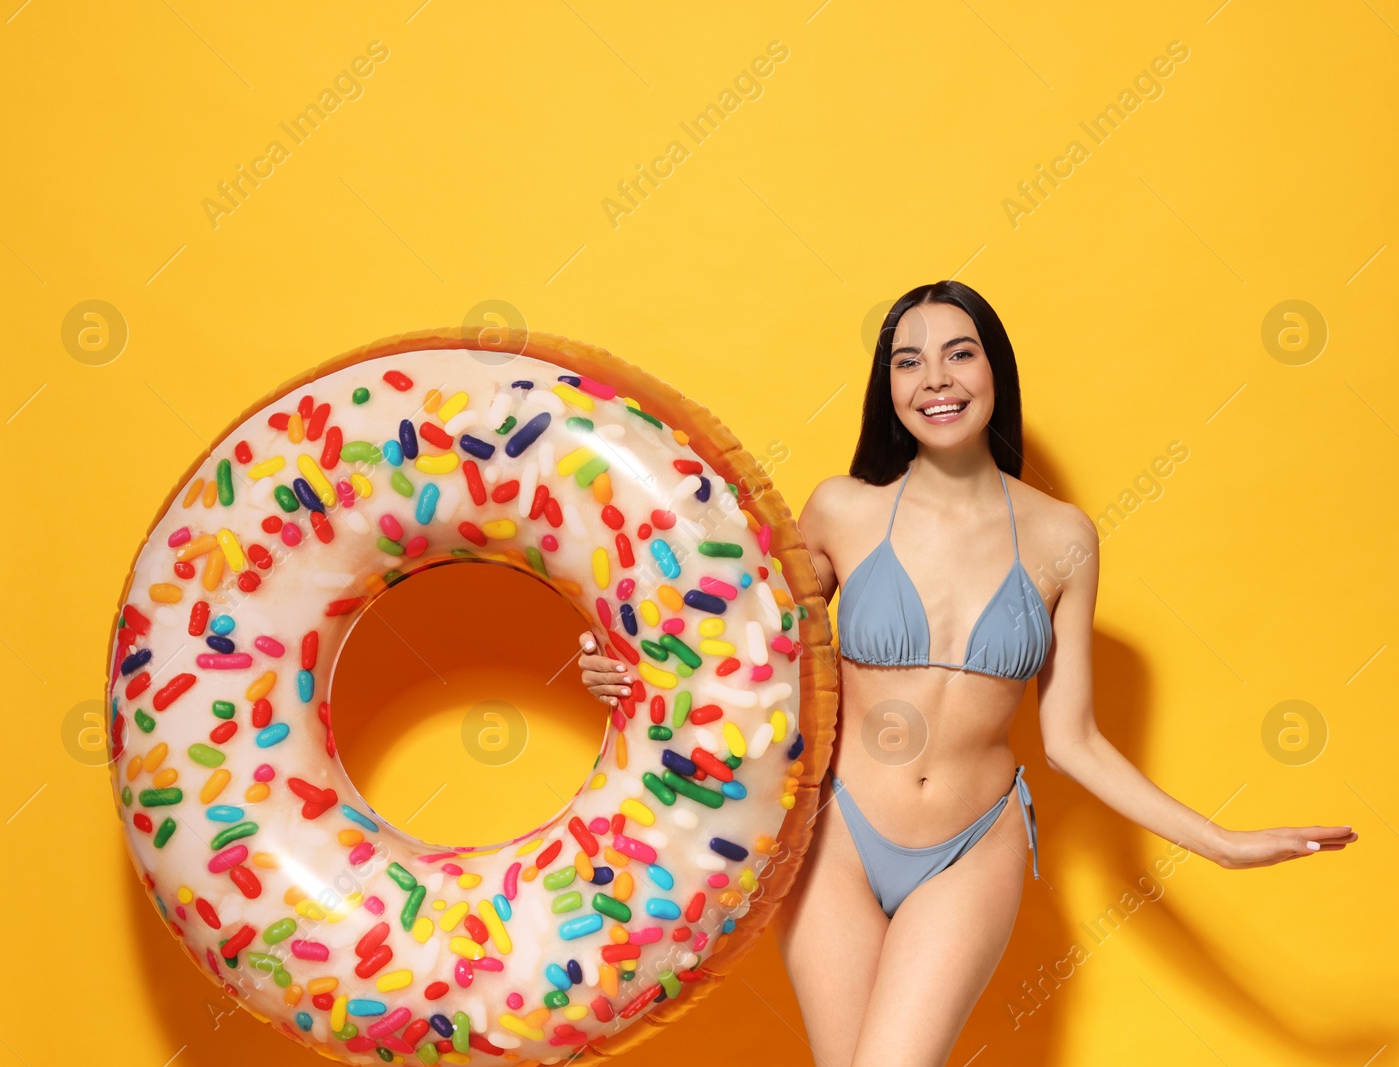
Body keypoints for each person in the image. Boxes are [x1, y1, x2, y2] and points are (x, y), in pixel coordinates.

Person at [575, 280, 1357, 1066]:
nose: (935, 379)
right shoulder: (843, 509)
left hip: (971, 847)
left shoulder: (1064, 538)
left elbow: (1072, 738)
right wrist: (626, 664)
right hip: (835, 836)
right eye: (908, 362)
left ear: (995, 371)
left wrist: (1218, 842)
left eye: (959, 354)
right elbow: (731, 637)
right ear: (890, 389)